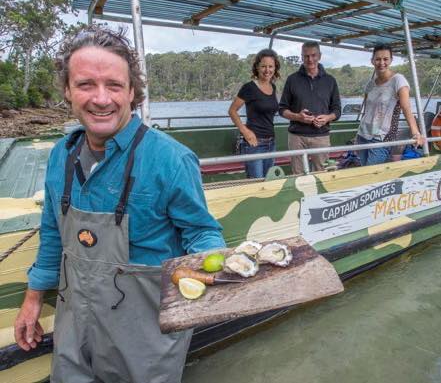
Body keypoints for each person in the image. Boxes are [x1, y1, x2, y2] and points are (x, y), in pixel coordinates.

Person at [14, 26, 226, 383]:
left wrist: (216, 262)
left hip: (145, 337)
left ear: (132, 92)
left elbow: (202, 231)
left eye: (113, 85)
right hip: (74, 327)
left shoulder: (170, 158)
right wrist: (33, 298)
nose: (101, 98)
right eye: (85, 85)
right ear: (67, 90)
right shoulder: (59, 157)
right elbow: (53, 233)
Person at [279, 41, 341, 174]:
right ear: (302, 57)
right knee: (298, 176)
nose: (310, 59)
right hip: (297, 137)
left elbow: (337, 110)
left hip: (321, 137)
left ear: (319, 55)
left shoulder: (330, 81)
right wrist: (298, 117)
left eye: (313, 55)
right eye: (306, 56)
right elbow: (282, 109)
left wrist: (327, 118)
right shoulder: (292, 79)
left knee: (321, 174)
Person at [356, 44, 425, 165]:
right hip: (362, 134)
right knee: (362, 171)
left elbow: (406, 107)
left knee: (372, 175)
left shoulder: (398, 80)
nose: (381, 62)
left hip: (381, 137)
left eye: (385, 59)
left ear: (391, 60)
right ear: (372, 61)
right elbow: (367, 110)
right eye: (378, 59)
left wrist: (416, 133)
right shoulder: (370, 84)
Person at [228, 48, 280, 178]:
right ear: (257, 67)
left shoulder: (273, 87)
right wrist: (245, 132)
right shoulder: (249, 88)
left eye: (270, 66)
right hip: (254, 143)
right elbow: (232, 111)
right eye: (263, 66)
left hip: (271, 142)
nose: (267, 70)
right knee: (256, 183)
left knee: (269, 181)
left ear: (275, 68)